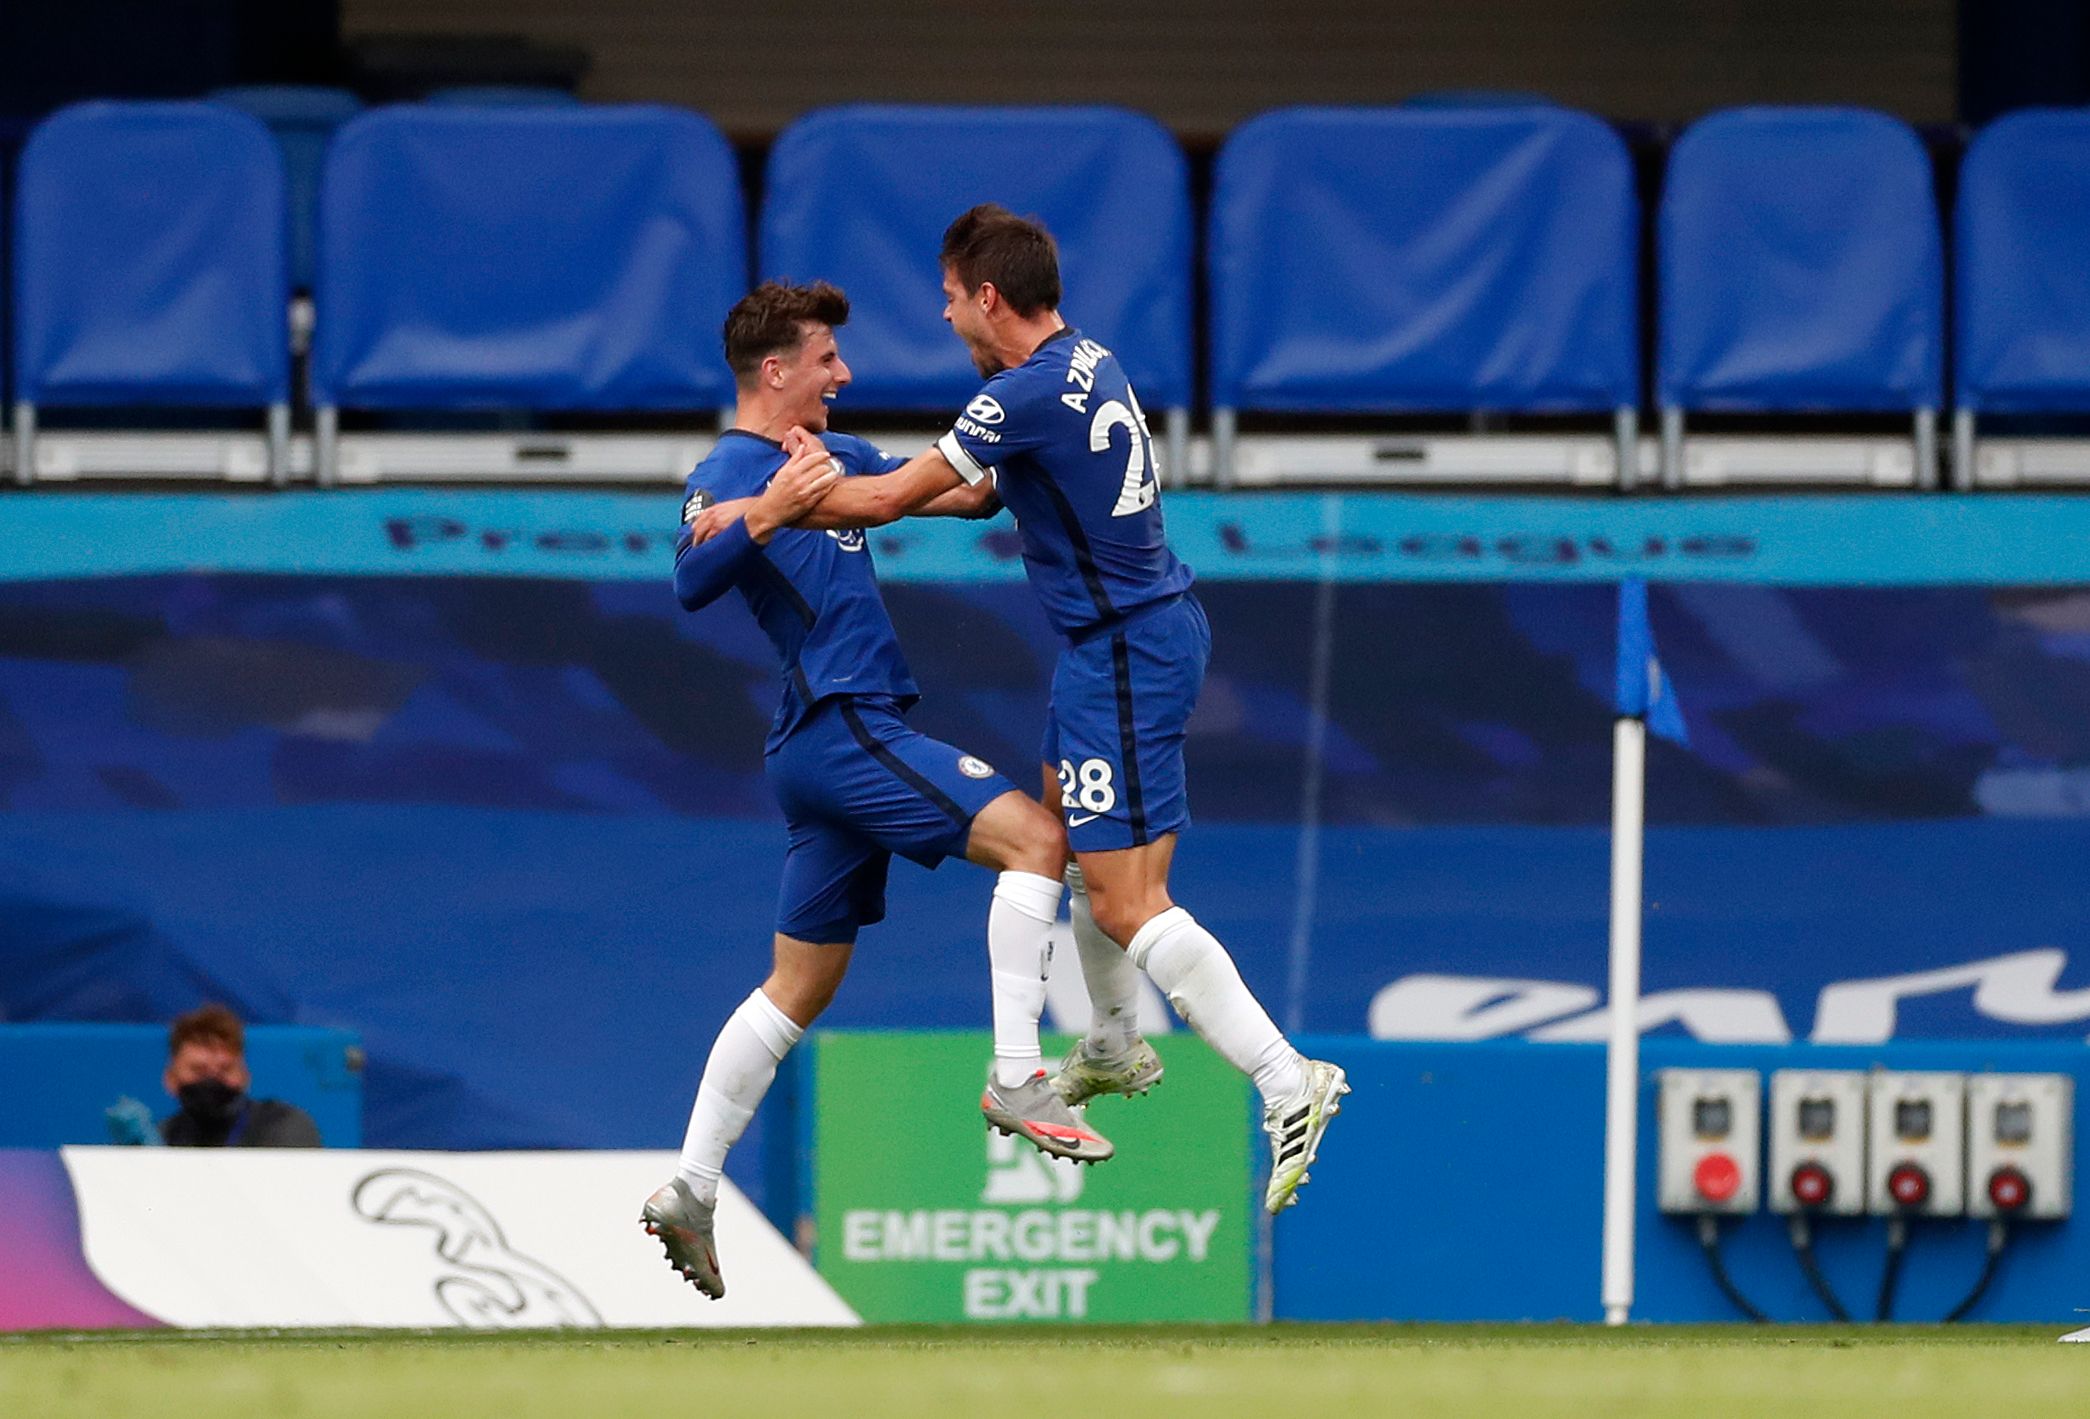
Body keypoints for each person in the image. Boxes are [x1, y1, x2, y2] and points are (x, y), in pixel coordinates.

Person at [689, 209, 1347, 1215]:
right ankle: (1114, 1044)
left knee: (1122, 896)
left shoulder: (1017, 394)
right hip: (1120, 643)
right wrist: (748, 508)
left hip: (1123, 647)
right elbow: (974, 492)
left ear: (985, 297)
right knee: (1068, 840)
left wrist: (758, 511)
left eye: (950, 298)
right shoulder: (1086, 360)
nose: (946, 316)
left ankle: (1278, 1075)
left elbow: (886, 501)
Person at [641, 280, 1106, 1302]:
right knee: (1037, 842)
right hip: (844, 728)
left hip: (828, 748)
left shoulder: (836, 458)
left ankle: (690, 1184)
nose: (843, 375)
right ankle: (1017, 1076)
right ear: (775, 372)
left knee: (798, 987)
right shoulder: (727, 471)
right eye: (824, 360)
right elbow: (688, 578)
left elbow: (961, 491)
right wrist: (768, 509)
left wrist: (1020, 419)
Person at [156, 1003, 322, 1147]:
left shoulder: (284, 1128)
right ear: (170, 1079)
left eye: (225, 1070)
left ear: (245, 1077)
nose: (212, 1079)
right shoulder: (159, 1141)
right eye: (199, 1070)